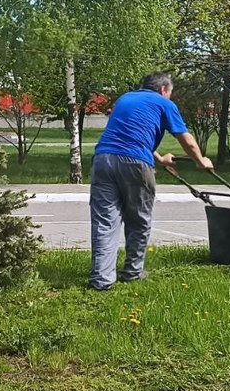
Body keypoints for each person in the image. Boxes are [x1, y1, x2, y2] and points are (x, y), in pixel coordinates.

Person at [88, 72, 213, 291]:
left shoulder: (124, 99)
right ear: (164, 90)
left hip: (102, 159)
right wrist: (201, 161)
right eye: (170, 94)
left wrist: (161, 158)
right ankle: (133, 273)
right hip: (135, 163)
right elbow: (186, 139)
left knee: (105, 222)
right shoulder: (164, 103)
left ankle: (101, 280)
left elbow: (130, 134)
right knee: (139, 219)